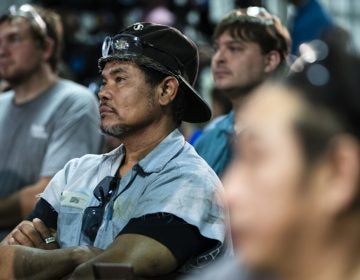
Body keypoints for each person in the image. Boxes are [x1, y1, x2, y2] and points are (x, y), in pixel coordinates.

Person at [0, 22, 227, 279]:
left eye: (120, 79)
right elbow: (3, 264)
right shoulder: (76, 171)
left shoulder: (190, 182)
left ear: (166, 90)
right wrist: (78, 255)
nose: (104, 93)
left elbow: (104, 274)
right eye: (104, 81)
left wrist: (49, 257)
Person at [0, 4, 102, 239]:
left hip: (31, 248)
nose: (2, 50)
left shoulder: (73, 102)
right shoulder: (1, 103)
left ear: (46, 47)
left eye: (14, 39)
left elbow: (52, 193)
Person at [193, 6, 291, 177]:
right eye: (216, 49)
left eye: (235, 48)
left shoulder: (292, 135)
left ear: (270, 60)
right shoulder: (209, 138)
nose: (219, 58)